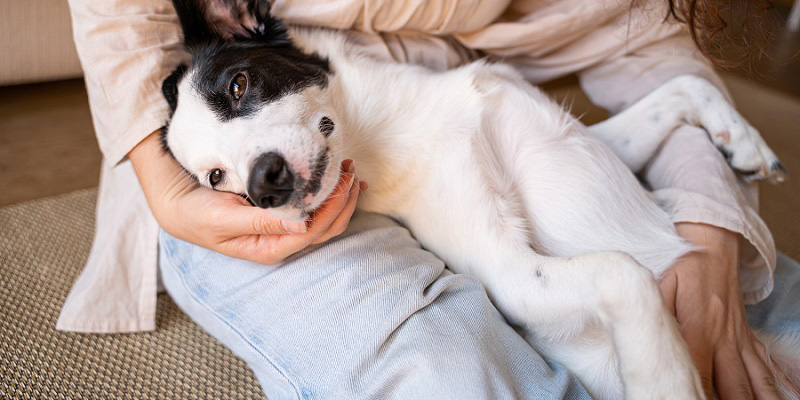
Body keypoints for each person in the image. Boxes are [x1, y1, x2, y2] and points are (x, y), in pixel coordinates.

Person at [58, 0, 799, 398]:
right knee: (447, 370)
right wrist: (167, 182)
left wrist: (709, 224)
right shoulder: (224, 131)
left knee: (748, 313)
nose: (257, 171)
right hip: (226, 209)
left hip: (435, 106)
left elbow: (644, 37)